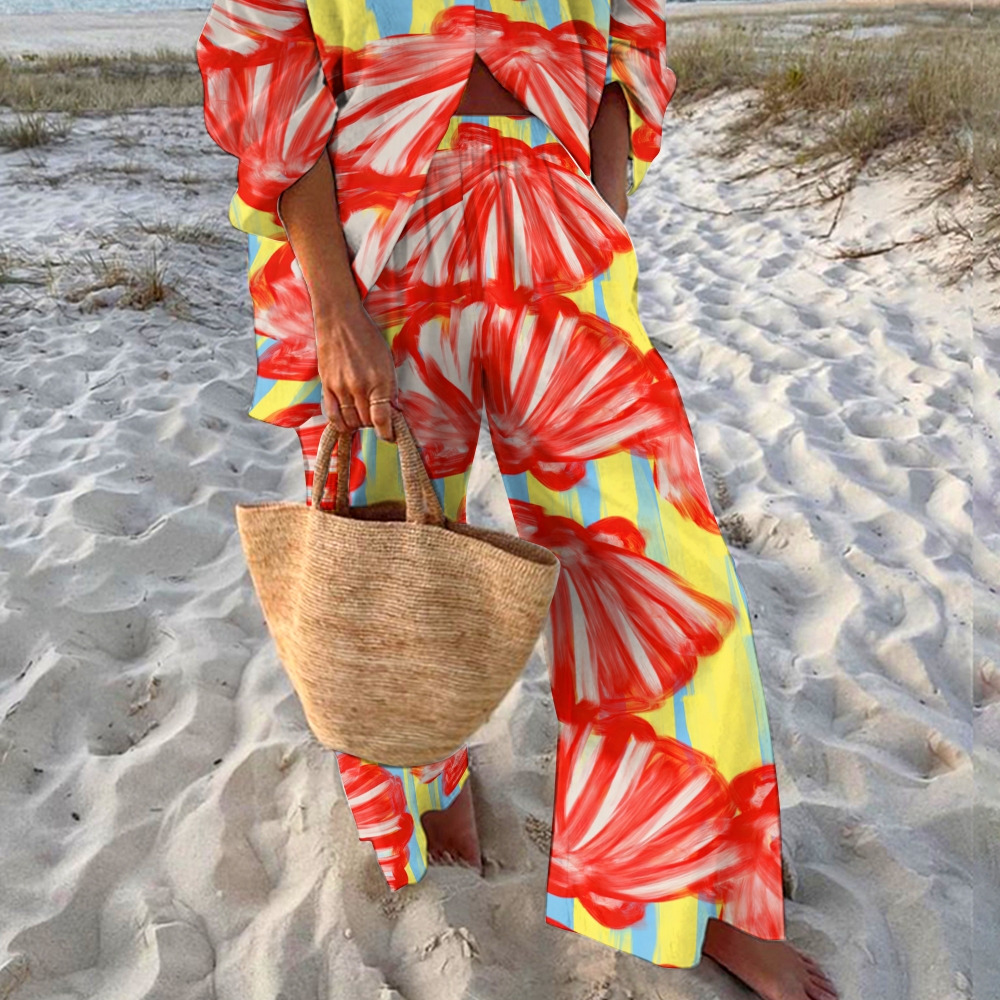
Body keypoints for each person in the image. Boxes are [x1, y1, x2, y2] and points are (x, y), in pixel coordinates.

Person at [196, 2, 838, 997]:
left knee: (659, 557)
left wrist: (604, 206)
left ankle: (683, 884)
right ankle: (426, 787)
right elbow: (266, 55)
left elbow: (626, 34)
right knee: (388, 547)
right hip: (372, 219)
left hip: (551, 190)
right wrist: (330, 304)